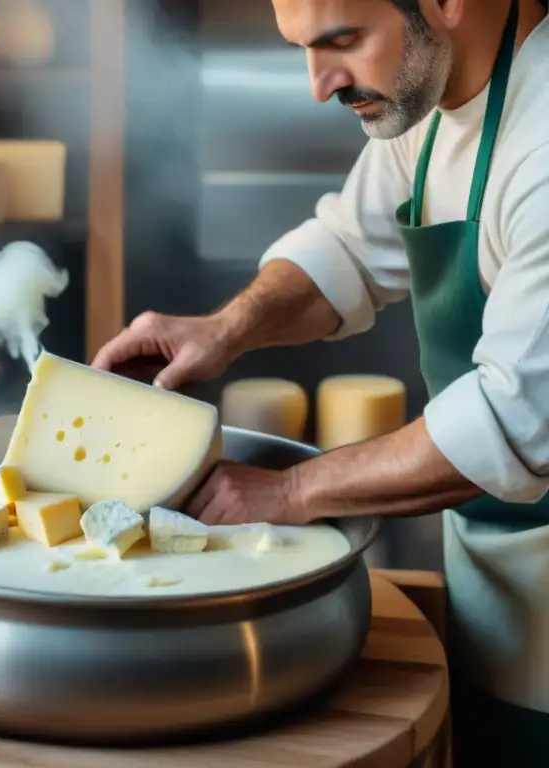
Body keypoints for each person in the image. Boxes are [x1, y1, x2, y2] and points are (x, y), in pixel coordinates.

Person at [92, 0, 549, 764]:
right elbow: (348, 249)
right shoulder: (435, 97)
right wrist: (222, 330)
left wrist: (285, 492)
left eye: (342, 42)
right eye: (302, 48)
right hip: (493, 577)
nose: (316, 84)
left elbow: (513, 418)